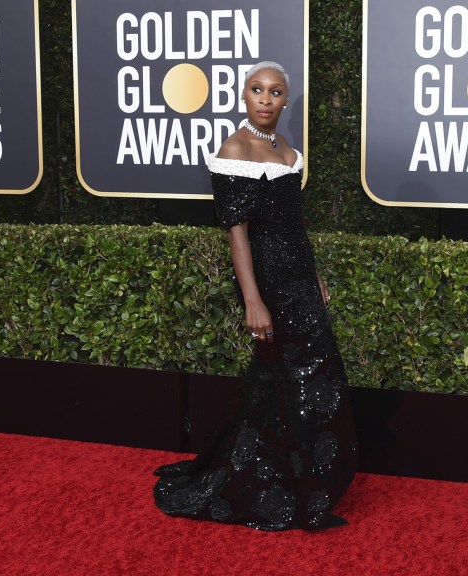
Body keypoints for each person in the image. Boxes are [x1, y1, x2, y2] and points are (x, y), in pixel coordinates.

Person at [153, 61, 358, 531]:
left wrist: (314, 276)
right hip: (269, 283)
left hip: (299, 279)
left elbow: (294, 225)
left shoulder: (286, 149)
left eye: (276, 91)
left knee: (289, 382)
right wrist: (253, 299)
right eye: (257, 89)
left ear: (285, 99)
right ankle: (303, 494)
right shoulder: (235, 149)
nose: (266, 99)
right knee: (297, 381)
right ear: (243, 95)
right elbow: (237, 234)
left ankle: (295, 475)